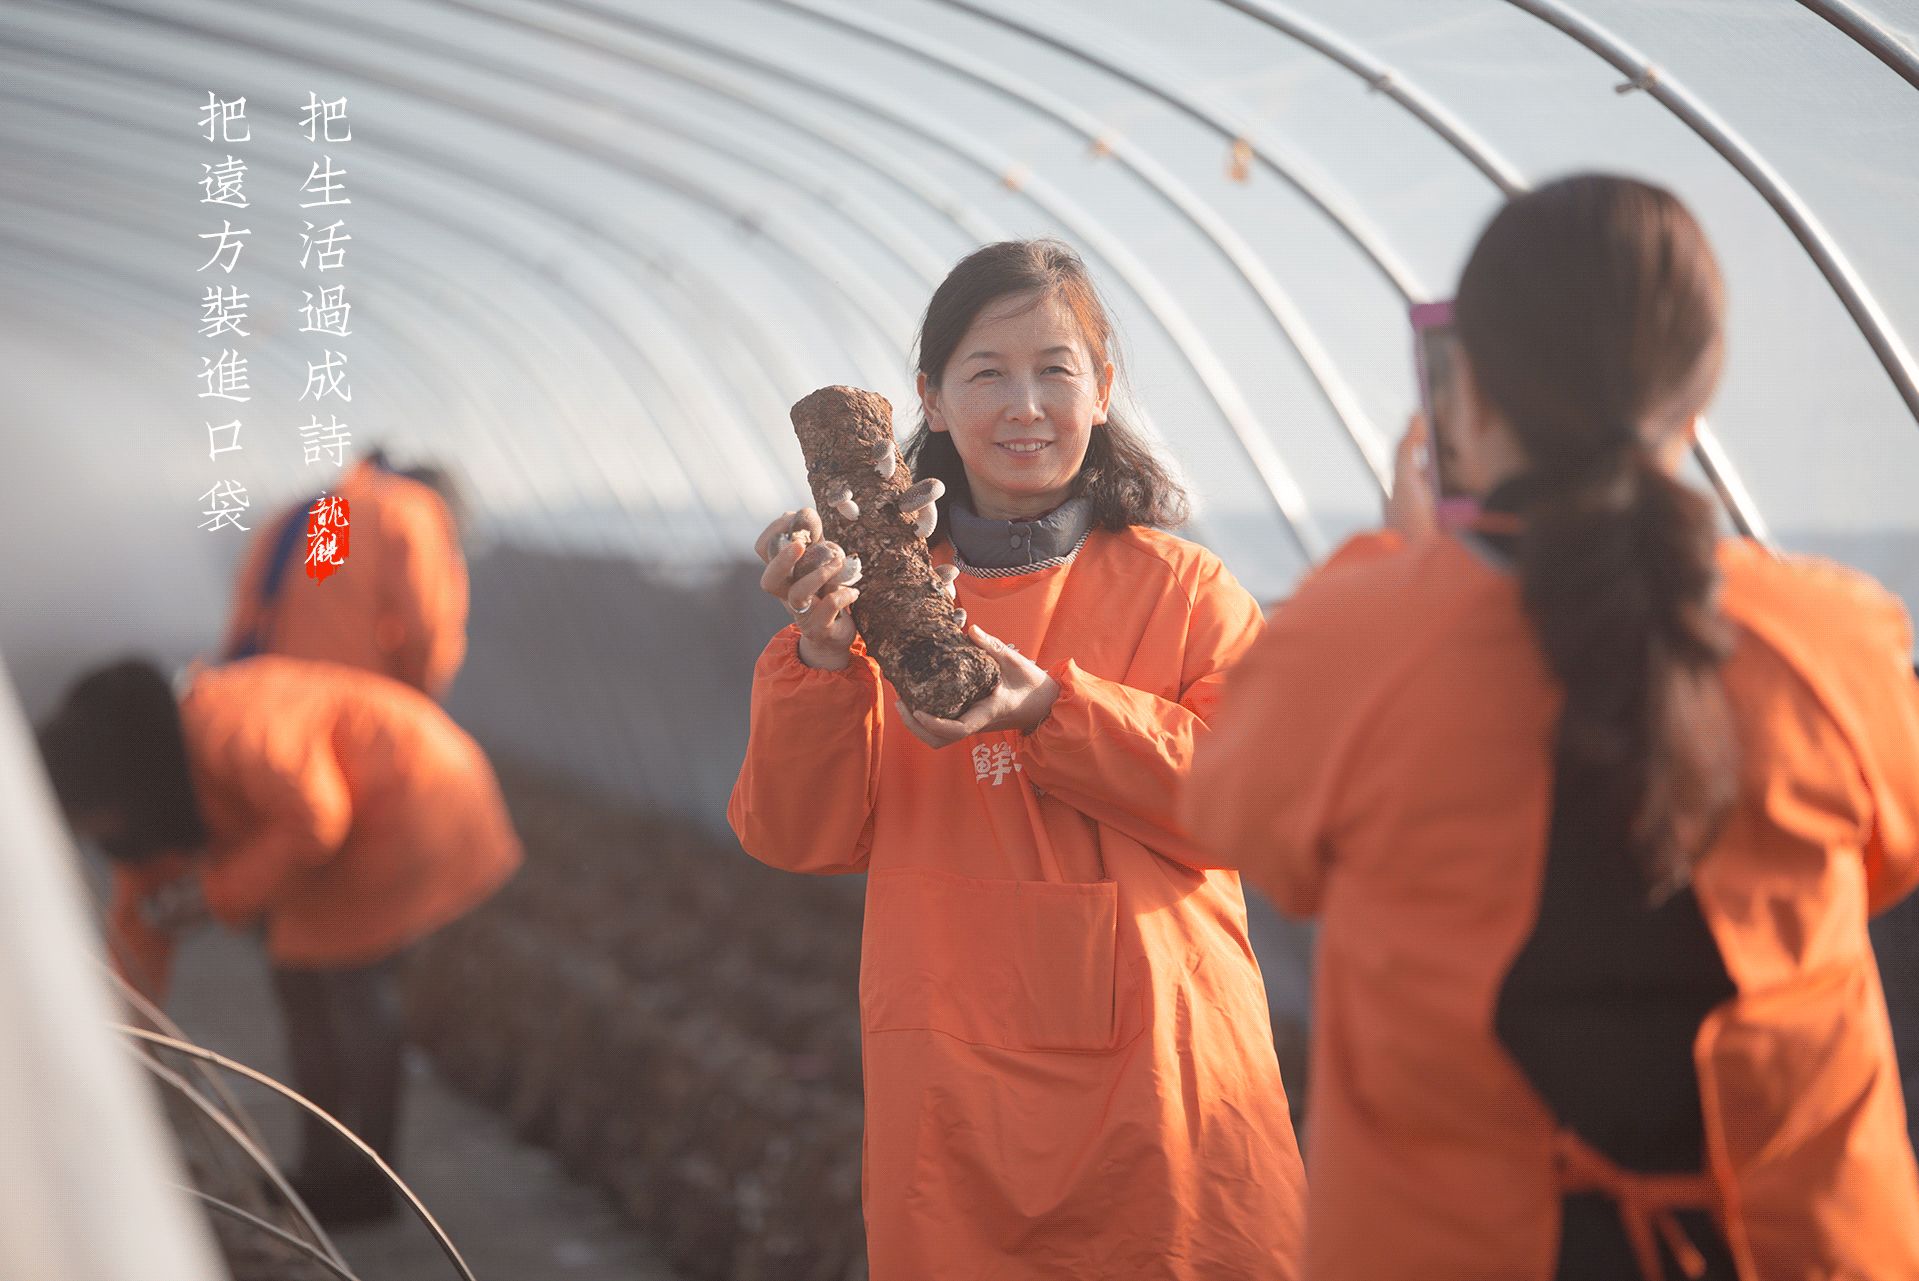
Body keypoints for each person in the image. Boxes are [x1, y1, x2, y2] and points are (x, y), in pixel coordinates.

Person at [1184, 175, 1919, 1279]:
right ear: (1698, 391)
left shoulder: (1351, 644)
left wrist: (1404, 561)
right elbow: (1884, 860)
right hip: (1795, 1249)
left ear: (1463, 391)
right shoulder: (1834, 637)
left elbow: (1244, 827)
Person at [728, 239, 1306, 1280]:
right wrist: (821, 654)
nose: (1023, 405)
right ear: (932, 401)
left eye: (1055, 370)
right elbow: (794, 835)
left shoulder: (1185, 592)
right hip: (949, 1092)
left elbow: (1258, 806)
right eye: (985, 374)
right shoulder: (880, 607)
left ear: (1103, 390)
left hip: (1163, 1089)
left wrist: (1047, 708)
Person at [39, 656, 523, 1226]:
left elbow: (317, 817)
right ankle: (325, 1175)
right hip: (352, 823)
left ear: (113, 786)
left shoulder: (233, 725)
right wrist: (120, 1044)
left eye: (92, 820)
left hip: (412, 793)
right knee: (301, 984)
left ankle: (369, 1183)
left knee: (349, 988)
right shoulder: (156, 778)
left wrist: (212, 896)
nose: (96, 834)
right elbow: (140, 924)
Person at [221, 452, 469, 700]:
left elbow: (244, 624)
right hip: (348, 713)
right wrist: (417, 698)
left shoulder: (297, 514)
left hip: (263, 699)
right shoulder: (413, 511)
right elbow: (426, 634)